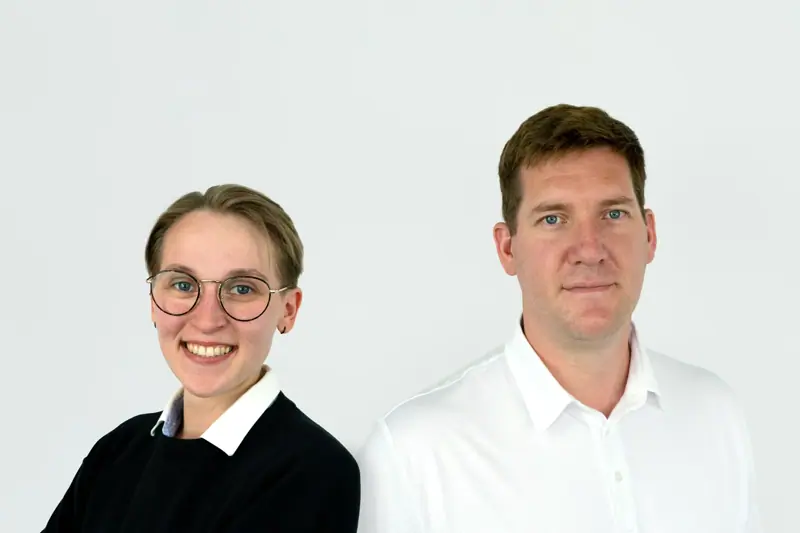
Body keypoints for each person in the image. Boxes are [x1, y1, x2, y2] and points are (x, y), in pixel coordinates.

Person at [356, 104, 761, 532]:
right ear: (507, 249)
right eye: (553, 219)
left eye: (613, 214)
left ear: (650, 235)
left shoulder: (714, 414)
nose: (590, 250)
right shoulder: (415, 452)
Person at [43, 184, 360, 532]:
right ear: (153, 300)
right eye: (183, 285)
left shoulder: (313, 470)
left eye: (242, 288)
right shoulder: (117, 451)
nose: (208, 320)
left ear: (288, 310)